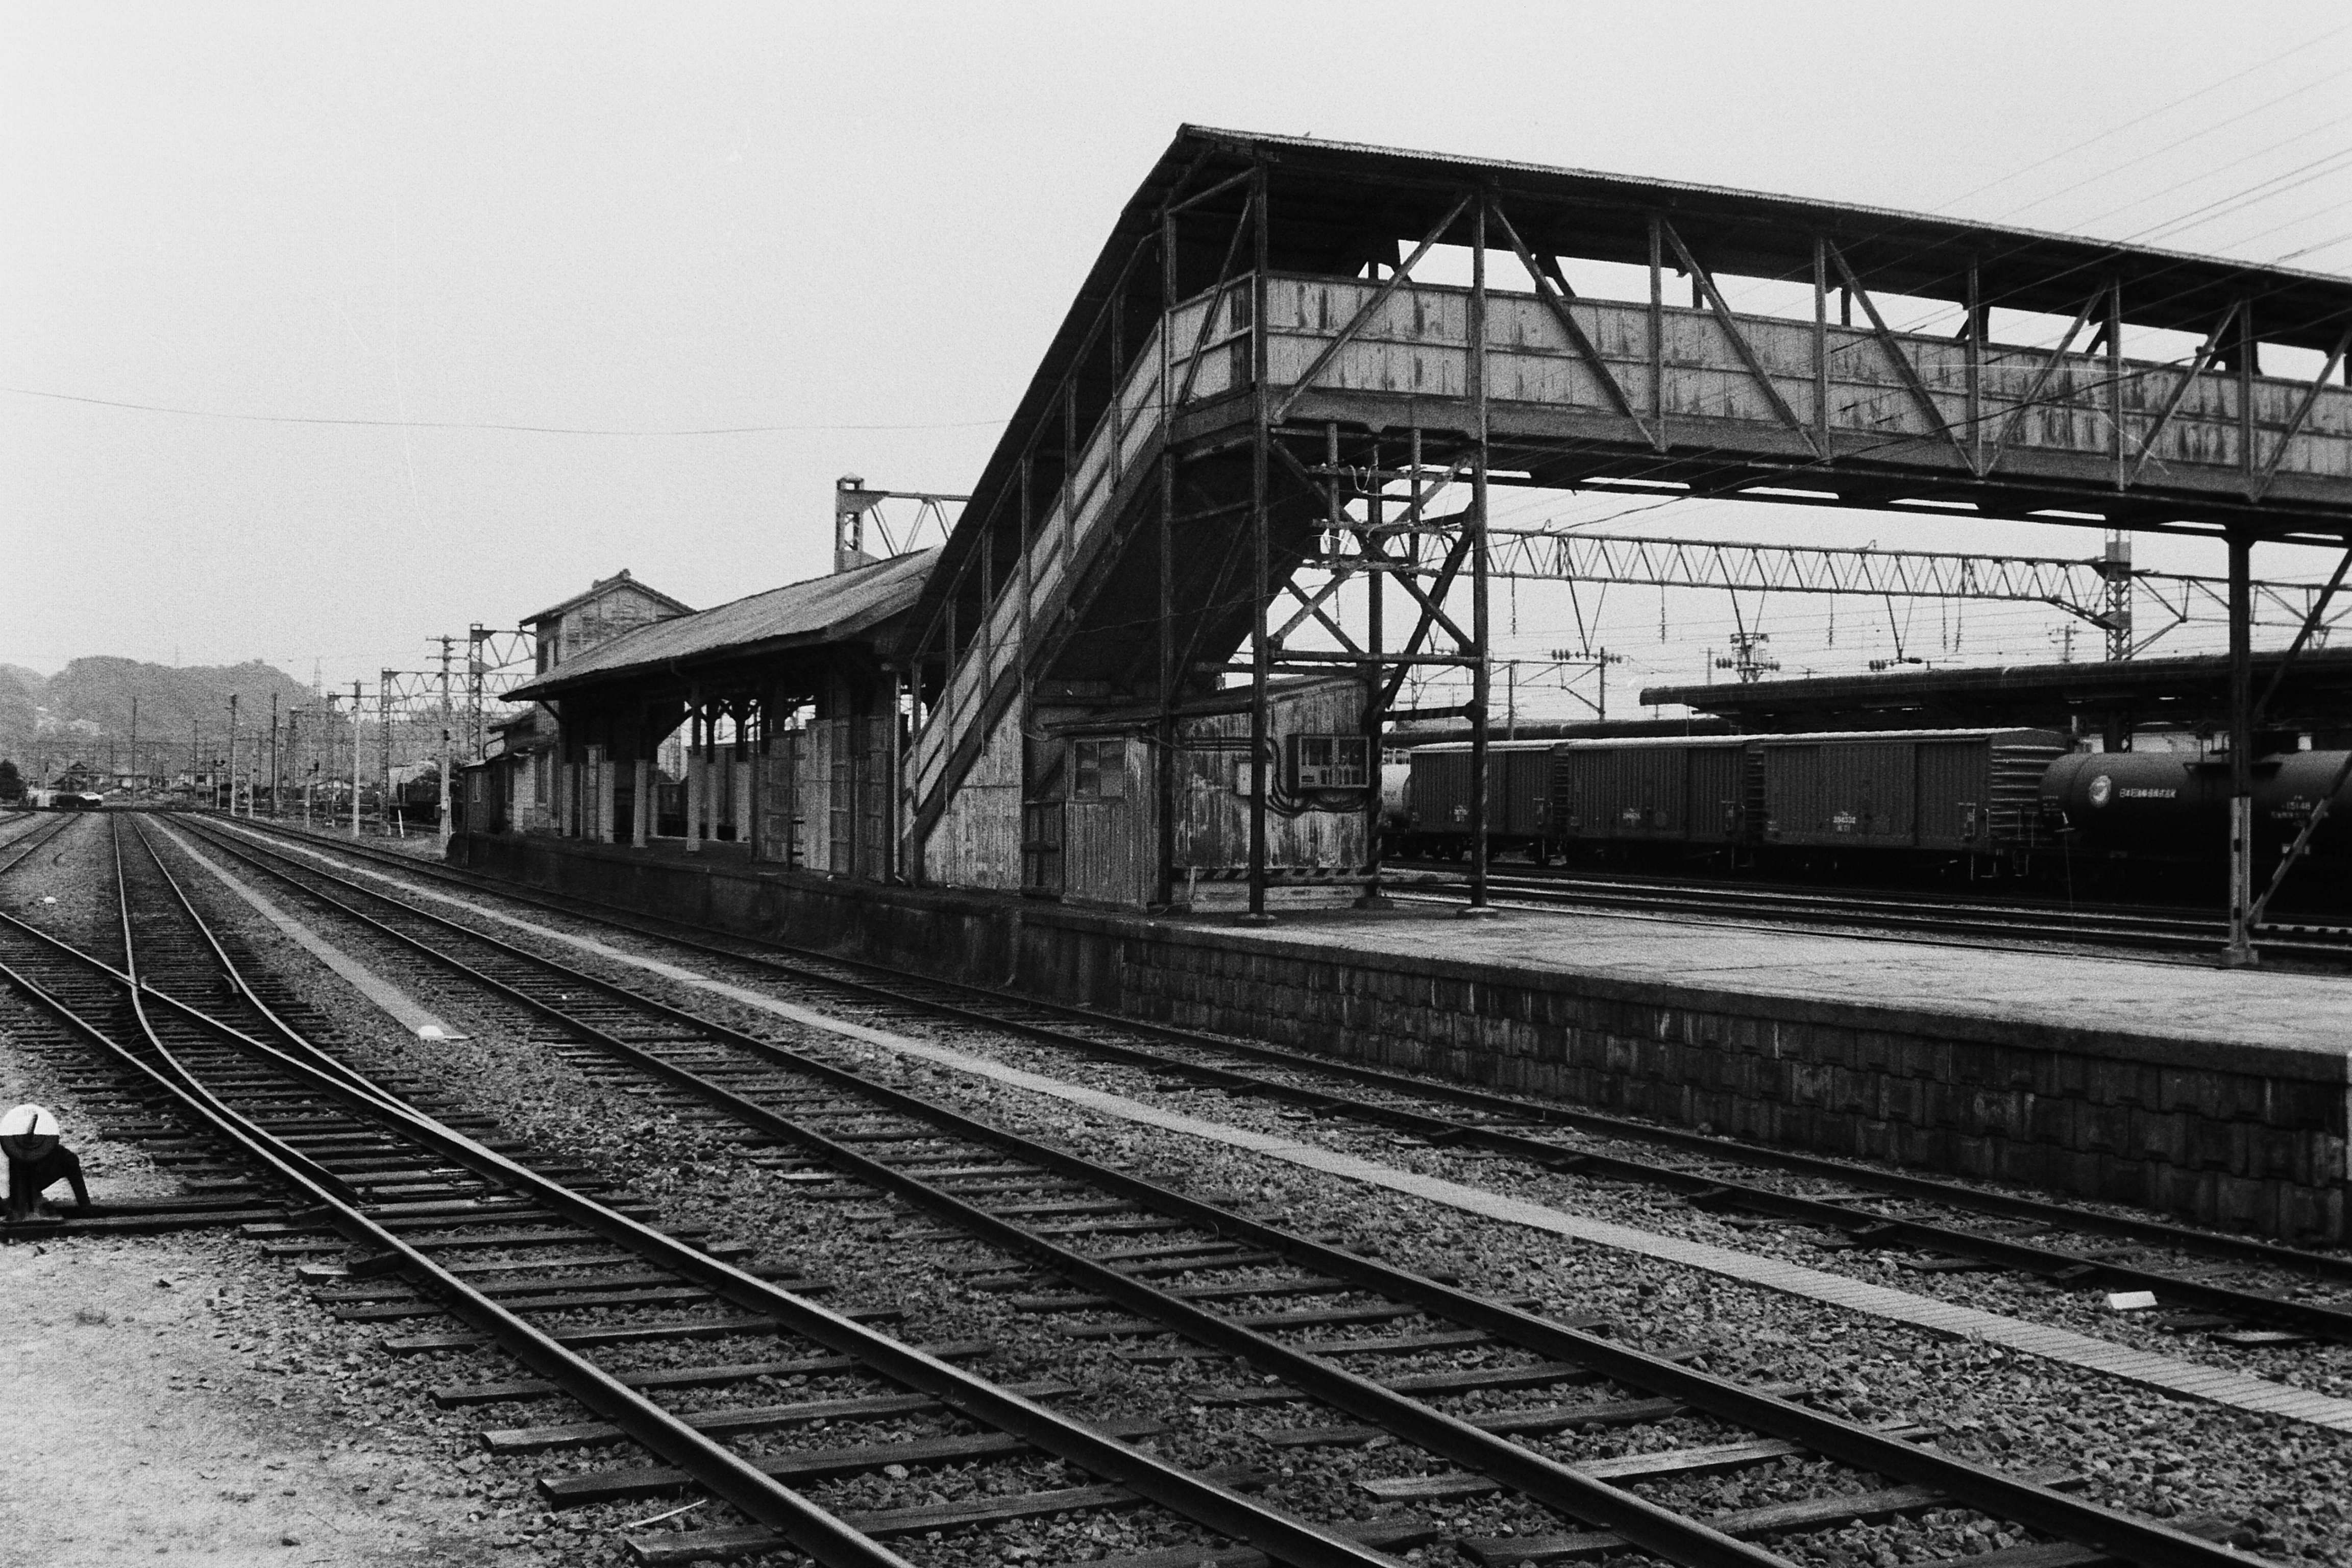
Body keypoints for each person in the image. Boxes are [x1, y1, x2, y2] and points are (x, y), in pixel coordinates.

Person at [2, 1104, 91, 1222]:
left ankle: (85, 1207)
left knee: (70, 1160)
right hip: (24, 1172)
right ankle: (26, 1201)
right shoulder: (16, 1148)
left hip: (32, 1158)